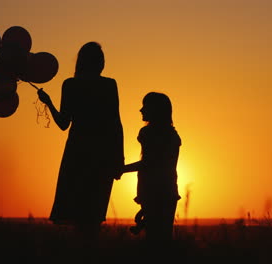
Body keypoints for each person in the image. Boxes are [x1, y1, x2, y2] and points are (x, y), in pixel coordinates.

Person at [37, 42, 124, 243]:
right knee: (94, 212)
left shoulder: (70, 85)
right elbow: (115, 123)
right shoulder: (109, 85)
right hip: (101, 154)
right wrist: (119, 157)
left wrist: (48, 102)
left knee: (78, 212)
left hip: (77, 153)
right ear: (100, 62)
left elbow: (63, 124)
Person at [120, 92, 181, 242]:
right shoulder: (171, 135)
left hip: (155, 193)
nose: (141, 110)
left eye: (145, 106)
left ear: (155, 110)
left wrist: (121, 169)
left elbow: (149, 164)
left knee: (155, 242)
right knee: (162, 239)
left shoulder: (150, 133)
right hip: (166, 193)